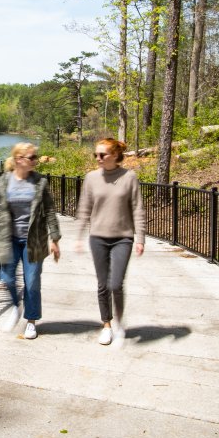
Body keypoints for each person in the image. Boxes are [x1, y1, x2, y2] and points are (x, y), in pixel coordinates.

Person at [77, 138, 146, 345]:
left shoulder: (129, 177)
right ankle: (106, 324)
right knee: (102, 285)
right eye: (95, 155)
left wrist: (140, 238)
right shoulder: (91, 178)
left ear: (115, 155)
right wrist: (79, 235)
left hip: (123, 238)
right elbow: (84, 207)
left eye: (102, 155)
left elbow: (137, 208)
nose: (98, 158)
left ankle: (120, 323)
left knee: (115, 283)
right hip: (97, 237)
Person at [0, 142, 61, 339]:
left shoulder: (40, 182)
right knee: (7, 277)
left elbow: (49, 210)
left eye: (35, 157)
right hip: (9, 238)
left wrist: (55, 238)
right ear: (18, 160)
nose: (35, 160)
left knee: (31, 282)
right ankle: (16, 306)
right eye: (31, 157)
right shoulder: (3, 182)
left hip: (34, 240)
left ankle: (31, 320)